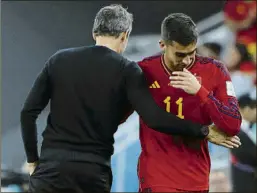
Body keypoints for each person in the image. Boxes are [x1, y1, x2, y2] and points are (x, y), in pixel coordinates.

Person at [20, 5, 238, 193]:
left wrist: (32, 161)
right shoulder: (127, 70)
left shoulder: (58, 60)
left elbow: (28, 113)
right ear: (125, 36)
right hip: (92, 171)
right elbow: (155, 118)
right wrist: (204, 131)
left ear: (94, 31)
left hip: (50, 167)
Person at [137, 13, 242, 192]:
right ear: (163, 45)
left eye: (191, 53)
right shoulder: (143, 70)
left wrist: (201, 92)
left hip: (197, 178)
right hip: (158, 178)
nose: (186, 61)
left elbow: (233, 124)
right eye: (179, 54)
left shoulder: (215, 70)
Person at [230, 93, 256, 193]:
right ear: (245, 109)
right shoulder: (237, 131)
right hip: (245, 179)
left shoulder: (249, 127)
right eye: (253, 108)